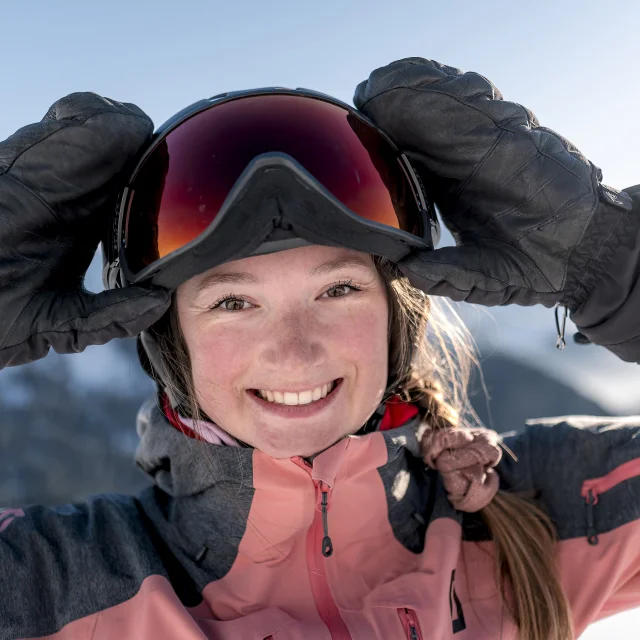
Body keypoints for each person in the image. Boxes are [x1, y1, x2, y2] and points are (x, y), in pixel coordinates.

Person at [0, 57, 638, 640]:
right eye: (232, 303)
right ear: (171, 346)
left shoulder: (554, 504)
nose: (295, 352)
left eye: (337, 289)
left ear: (398, 315)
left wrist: (615, 262)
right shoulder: (49, 584)